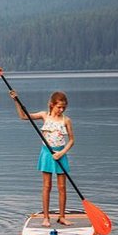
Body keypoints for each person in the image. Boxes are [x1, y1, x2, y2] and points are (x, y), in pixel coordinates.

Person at [11, 89, 74, 226]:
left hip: (60, 155)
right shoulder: (44, 115)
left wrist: (61, 153)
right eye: (59, 107)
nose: (61, 109)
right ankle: (46, 218)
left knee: (62, 187)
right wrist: (16, 100)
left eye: (64, 107)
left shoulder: (66, 120)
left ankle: (62, 217)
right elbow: (23, 116)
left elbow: (71, 141)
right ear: (52, 105)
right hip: (47, 154)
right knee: (47, 186)